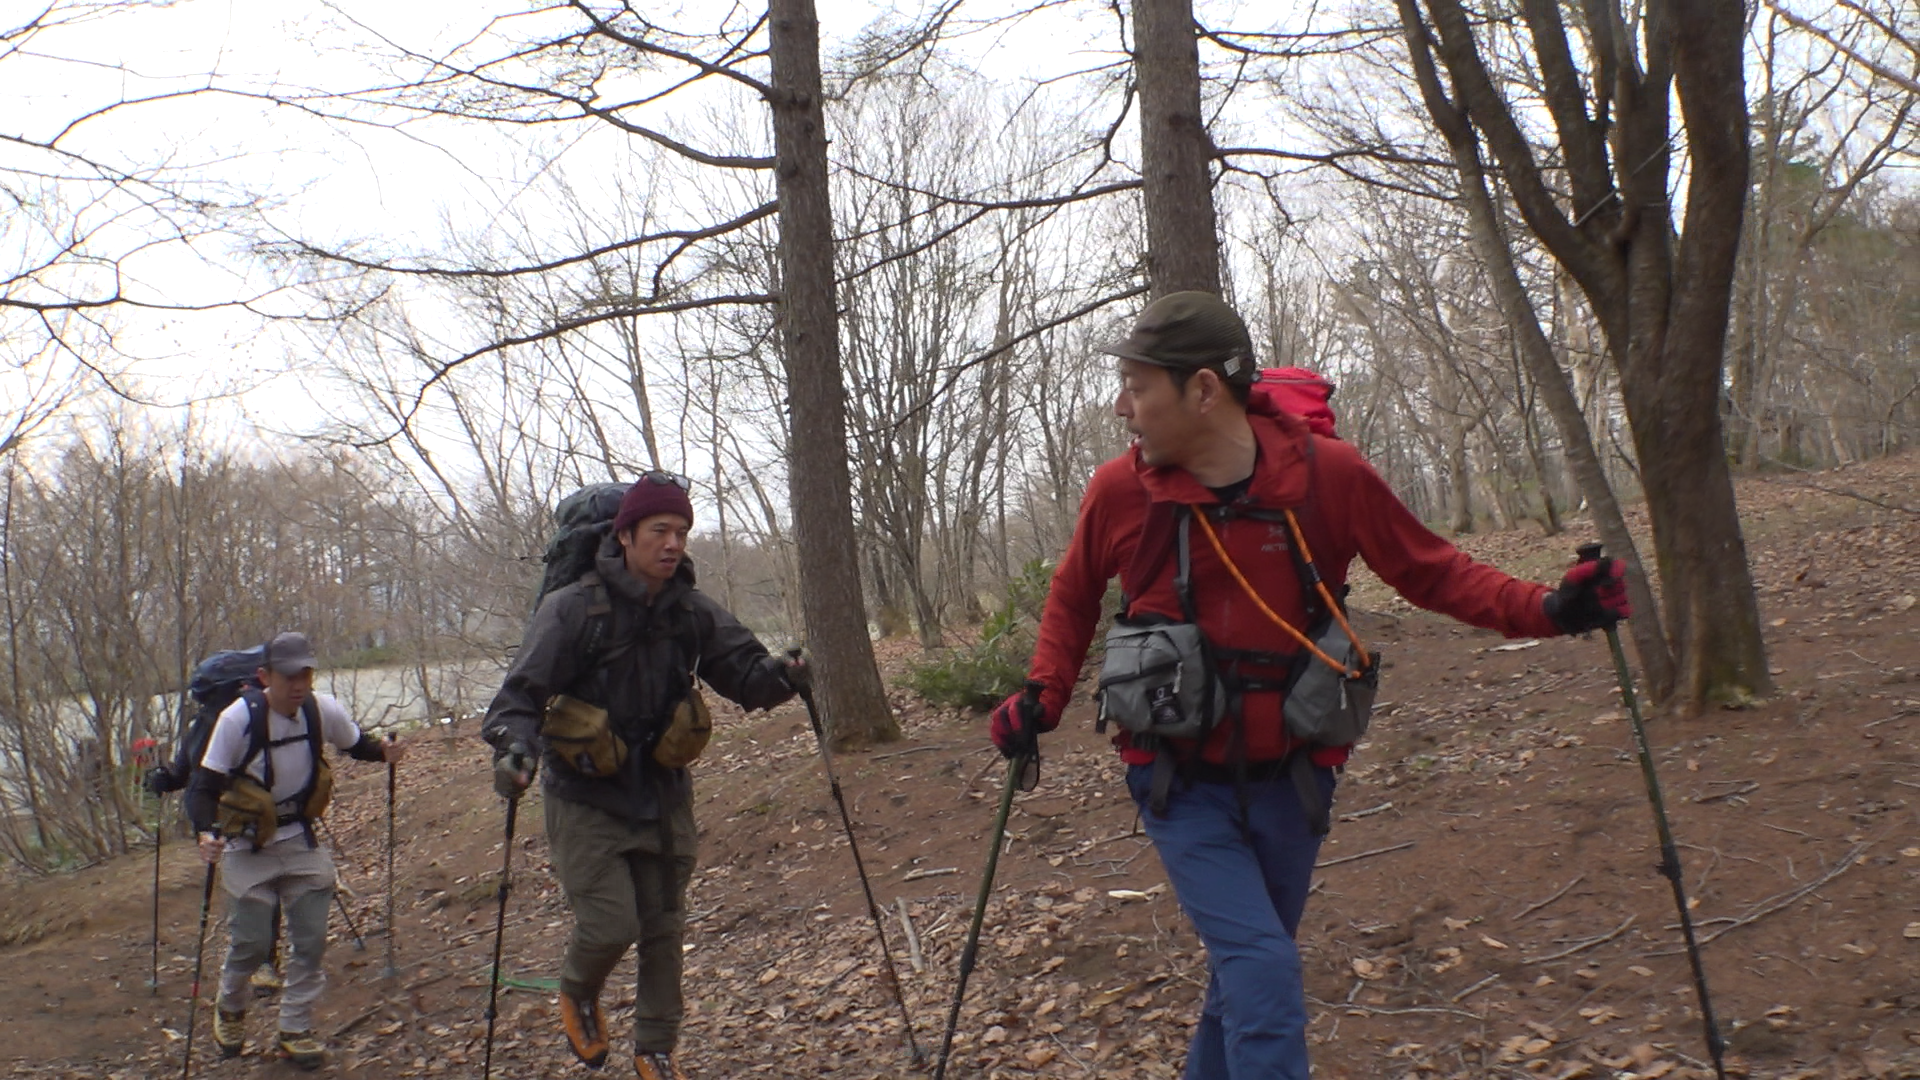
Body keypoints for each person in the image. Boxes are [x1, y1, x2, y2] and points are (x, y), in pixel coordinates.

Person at [987, 292, 1630, 1080]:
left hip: (1294, 778)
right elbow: (1074, 593)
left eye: (1137, 386)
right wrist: (1042, 695)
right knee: (1261, 970)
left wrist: (1552, 609)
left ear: (1201, 390)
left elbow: (1432, 572)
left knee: (1246, 978)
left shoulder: (1331, 477)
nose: (1122, 407)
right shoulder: (1120, 491)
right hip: (1175, 781)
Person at [483, 474, 807, 1080]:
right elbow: (516, 699)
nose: (673, 543)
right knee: (611, 923)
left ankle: (655, 1047)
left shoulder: (689, 610)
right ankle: (578, 990)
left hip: (661, 791)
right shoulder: (573, 609)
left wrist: (783, 674)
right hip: (585, 794)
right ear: (624, 534)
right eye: (660, 529)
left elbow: (743, 674)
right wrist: (513, 749)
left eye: (682, 531)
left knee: (663, 927)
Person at [187, 631, 406, 1069]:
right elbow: (201, 787)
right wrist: (205, 832)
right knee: (251, 943)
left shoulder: (321, 710)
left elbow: (356, 744)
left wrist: (385, 752)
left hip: (300, 841)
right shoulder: (236, 720)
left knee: (310, 941)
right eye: (289, 675)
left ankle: (295, 1028)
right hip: (247, 846)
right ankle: (230, 1006)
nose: (299, 683)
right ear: (266, 676)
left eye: (305, 672)